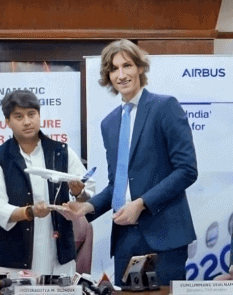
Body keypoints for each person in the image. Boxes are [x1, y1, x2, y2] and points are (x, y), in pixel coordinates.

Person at [61, 39, 198, 286]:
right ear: (108, 75)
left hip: (165, 235)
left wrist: (142, 203)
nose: (121, 75)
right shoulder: (109, 124)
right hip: (125, 239)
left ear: (140, 68)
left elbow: (187, 170)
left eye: (127, 66)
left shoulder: (164, 107)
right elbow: (118, 184)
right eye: (114, 69)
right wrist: (86, 208)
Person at [0, 90, 95, 278]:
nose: (27, 122)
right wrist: (30, 212)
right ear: (7, 122)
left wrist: (79, 193)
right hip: (14, 259)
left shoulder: (61, 151)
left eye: (31, 114)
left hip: (58, 254)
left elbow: (88, 193)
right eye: (18, 116)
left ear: (39, 115)